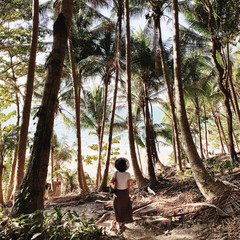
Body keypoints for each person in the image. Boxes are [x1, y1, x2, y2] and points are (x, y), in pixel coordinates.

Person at [110, 157, 133, 230]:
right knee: (125, 207)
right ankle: (122, 223)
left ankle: (119, 224)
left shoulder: (116, 173)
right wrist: (129, 193)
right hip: (125, 193)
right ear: (126, 166)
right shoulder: (128, 174)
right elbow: (128, 185)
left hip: (117, 193)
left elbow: (111, 182)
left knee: (117, 208)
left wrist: (113, 187)